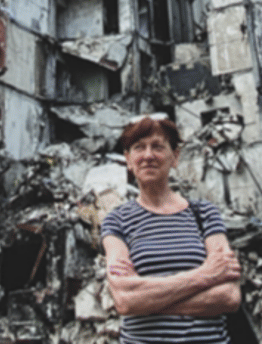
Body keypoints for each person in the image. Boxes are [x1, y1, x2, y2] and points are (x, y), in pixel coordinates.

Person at [101, 115, 242, 344]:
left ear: (174, 156)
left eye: (158, 146)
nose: (148, 156)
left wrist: (146, 301)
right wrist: (204, 275)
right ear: (128, 159)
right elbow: (125, 301)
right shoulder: (116, 221)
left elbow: (228, 297)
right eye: (139, 148)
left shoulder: (204, 214)